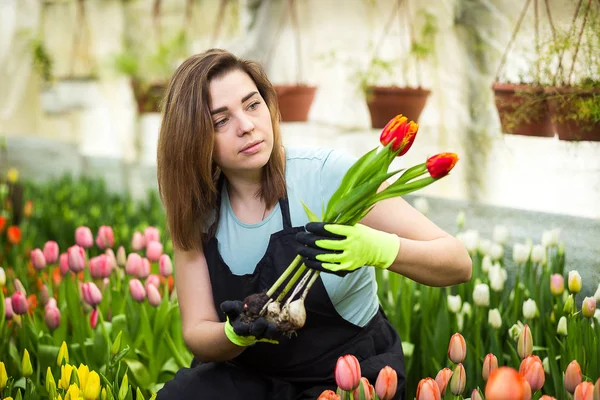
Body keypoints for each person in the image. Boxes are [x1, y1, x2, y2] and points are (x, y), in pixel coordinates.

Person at [155, 48, 472, 400]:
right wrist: (236, 334)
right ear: (193, 138)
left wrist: (377, 248)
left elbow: (458, 262)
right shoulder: (200, 212)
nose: (246, 126)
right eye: (221, 121)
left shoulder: (327, 176)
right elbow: (197, 331)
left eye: (252, 105)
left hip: (347, 375)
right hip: (251, 378)